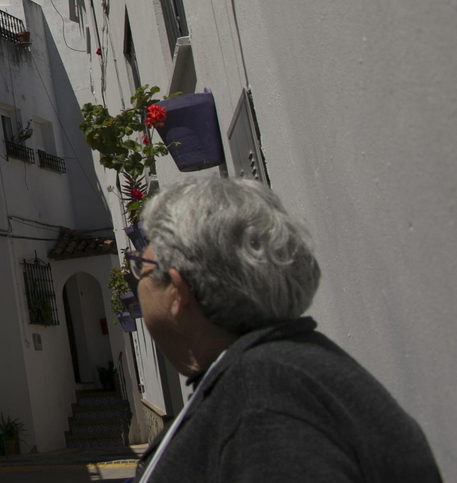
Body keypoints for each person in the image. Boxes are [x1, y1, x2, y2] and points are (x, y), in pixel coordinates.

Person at [125, 177, 441, 482]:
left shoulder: (265, 397)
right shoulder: (277, 372)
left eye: (142, 266)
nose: (137, 281)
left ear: (178, 292)